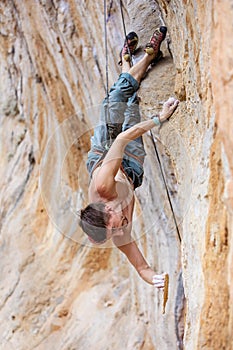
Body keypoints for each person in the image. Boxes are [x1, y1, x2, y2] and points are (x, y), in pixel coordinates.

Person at [80, 26, 179, 287]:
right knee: (132, 103)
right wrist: (155, 279)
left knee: (115, 100)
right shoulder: (118, 234)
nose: (119, 228)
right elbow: (142, 267)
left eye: (113, 224)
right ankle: (126, 61)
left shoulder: (103, 185)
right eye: (114, 231)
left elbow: (122, 139)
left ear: (105, 207)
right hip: (131, 170)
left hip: (105, 153)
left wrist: (159, 118)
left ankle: (147, 57)